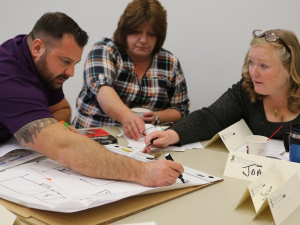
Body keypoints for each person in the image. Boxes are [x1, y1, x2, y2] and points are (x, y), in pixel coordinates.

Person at [0, 12, 183, 187]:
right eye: (65, 61)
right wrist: (142, 171)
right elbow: (65, 147)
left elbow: (60, 109)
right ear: (37, 47)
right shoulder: (9, 78)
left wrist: (58, 127)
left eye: (74, 64)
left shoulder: (34, 57)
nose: (71, 73)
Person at [143, 29, 300, 150]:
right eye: (251, 62)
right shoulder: (246, 89)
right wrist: (172, 134)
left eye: (263, 66)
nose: (253, 72)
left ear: (288, 69)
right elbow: (210, 118)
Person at [73, 0, 190, 141]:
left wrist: (157, 117)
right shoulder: (105, 50)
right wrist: (127, 116)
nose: (143, 40)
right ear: (125, 31)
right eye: (136, 32)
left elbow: (180, 110)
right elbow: (102, 89)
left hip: (142, 141)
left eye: (151, 34)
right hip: (94, 135)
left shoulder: (170, 62)